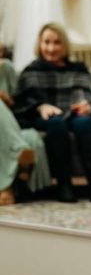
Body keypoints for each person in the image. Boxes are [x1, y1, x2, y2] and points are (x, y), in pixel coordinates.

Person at [13, 23, 91, 202]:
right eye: (47, 42)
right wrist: (40, 106)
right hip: (45, 117)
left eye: (57, 42)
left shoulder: (78, 68)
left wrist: (87, 106)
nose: (51, 48)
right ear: (40, 44)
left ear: (65, 45)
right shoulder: (30, 70)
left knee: (85, 122)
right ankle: (64, 185)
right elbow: (21, 103)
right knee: (57, 123)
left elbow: (88, 95)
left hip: (74, 113)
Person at [0, 44, 51, 205]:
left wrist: (5, 98)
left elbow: (18, 103)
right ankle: (18, 156)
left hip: (8, 123)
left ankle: (7, 188)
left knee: (30, 137)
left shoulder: (6, 68)